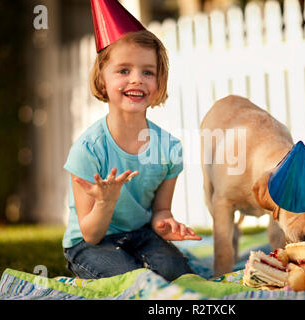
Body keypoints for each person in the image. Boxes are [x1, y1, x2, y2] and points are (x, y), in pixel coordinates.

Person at [62, 1, 201, 282]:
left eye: (147, 72)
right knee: (136, 281)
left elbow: (160, 211)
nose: (137, 80)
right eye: (123, 71)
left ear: (159, 82)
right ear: (102, 80)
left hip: (141, 234)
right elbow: (91, 233)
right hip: (90, 243)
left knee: (179, 275)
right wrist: (106, 202)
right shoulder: (88, 150)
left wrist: (165, 225)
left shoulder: (169, 149)